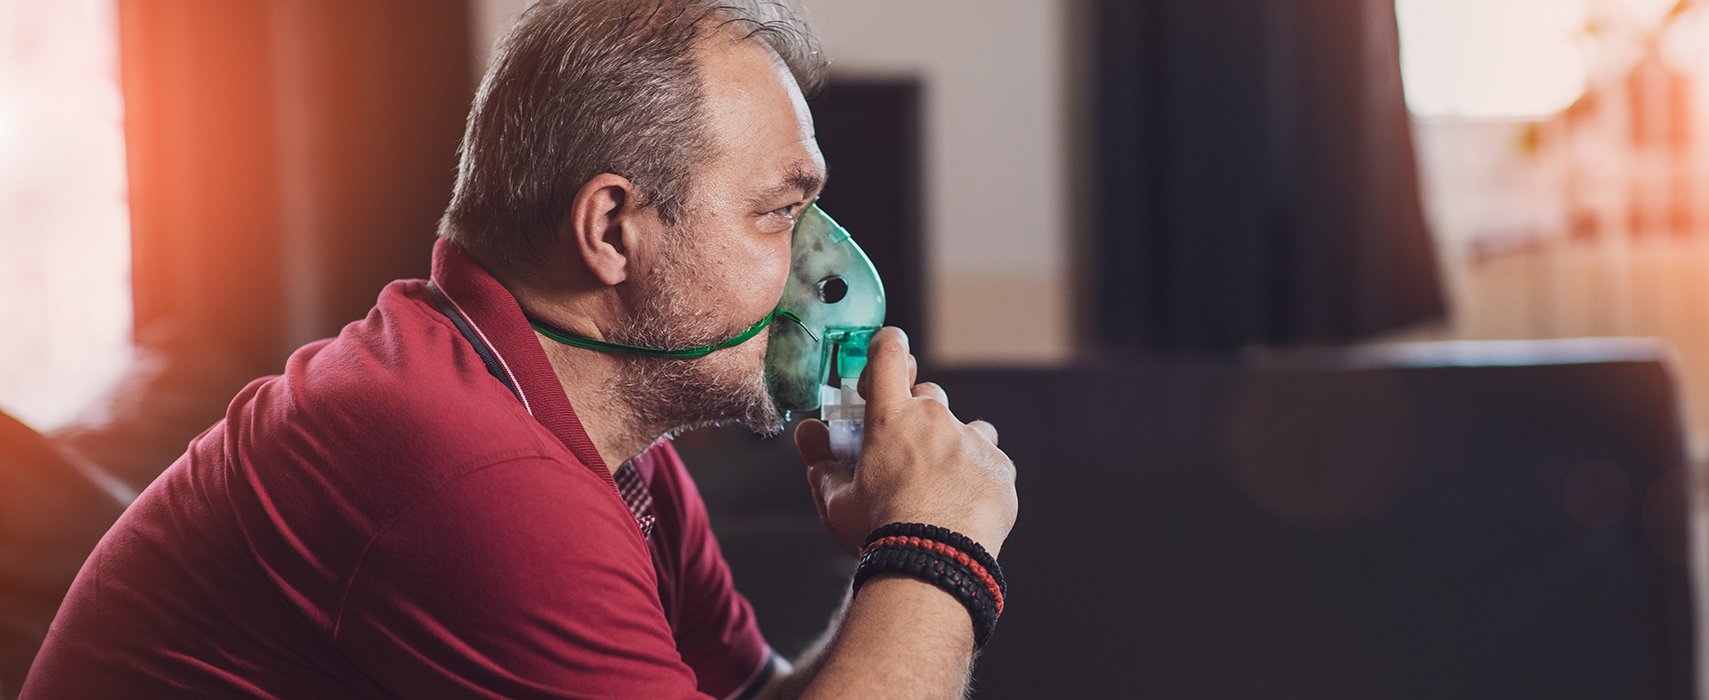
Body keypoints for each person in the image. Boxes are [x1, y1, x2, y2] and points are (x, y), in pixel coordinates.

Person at [20, 1, 1018, 697]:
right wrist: (938, 547)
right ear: (613, 230)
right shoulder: (470, 465)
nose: (824, 259)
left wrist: (899, 542)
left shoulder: (601, 444)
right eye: (776, 212)